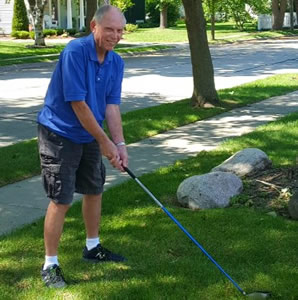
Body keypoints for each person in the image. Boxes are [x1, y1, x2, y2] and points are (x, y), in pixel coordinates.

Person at [37, 5, 128, 288]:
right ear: (94, 26)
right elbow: (78, 103)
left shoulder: (116, 62)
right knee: (61, 198)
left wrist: (119, 144)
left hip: (90, 131)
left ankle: (92, 247)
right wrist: (104, 143)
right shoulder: (75, 52)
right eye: (110, 29)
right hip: (59, 133)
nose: (115, 35)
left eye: (120, 30)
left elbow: (111, 106)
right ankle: (50, 264)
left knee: (94, 188)